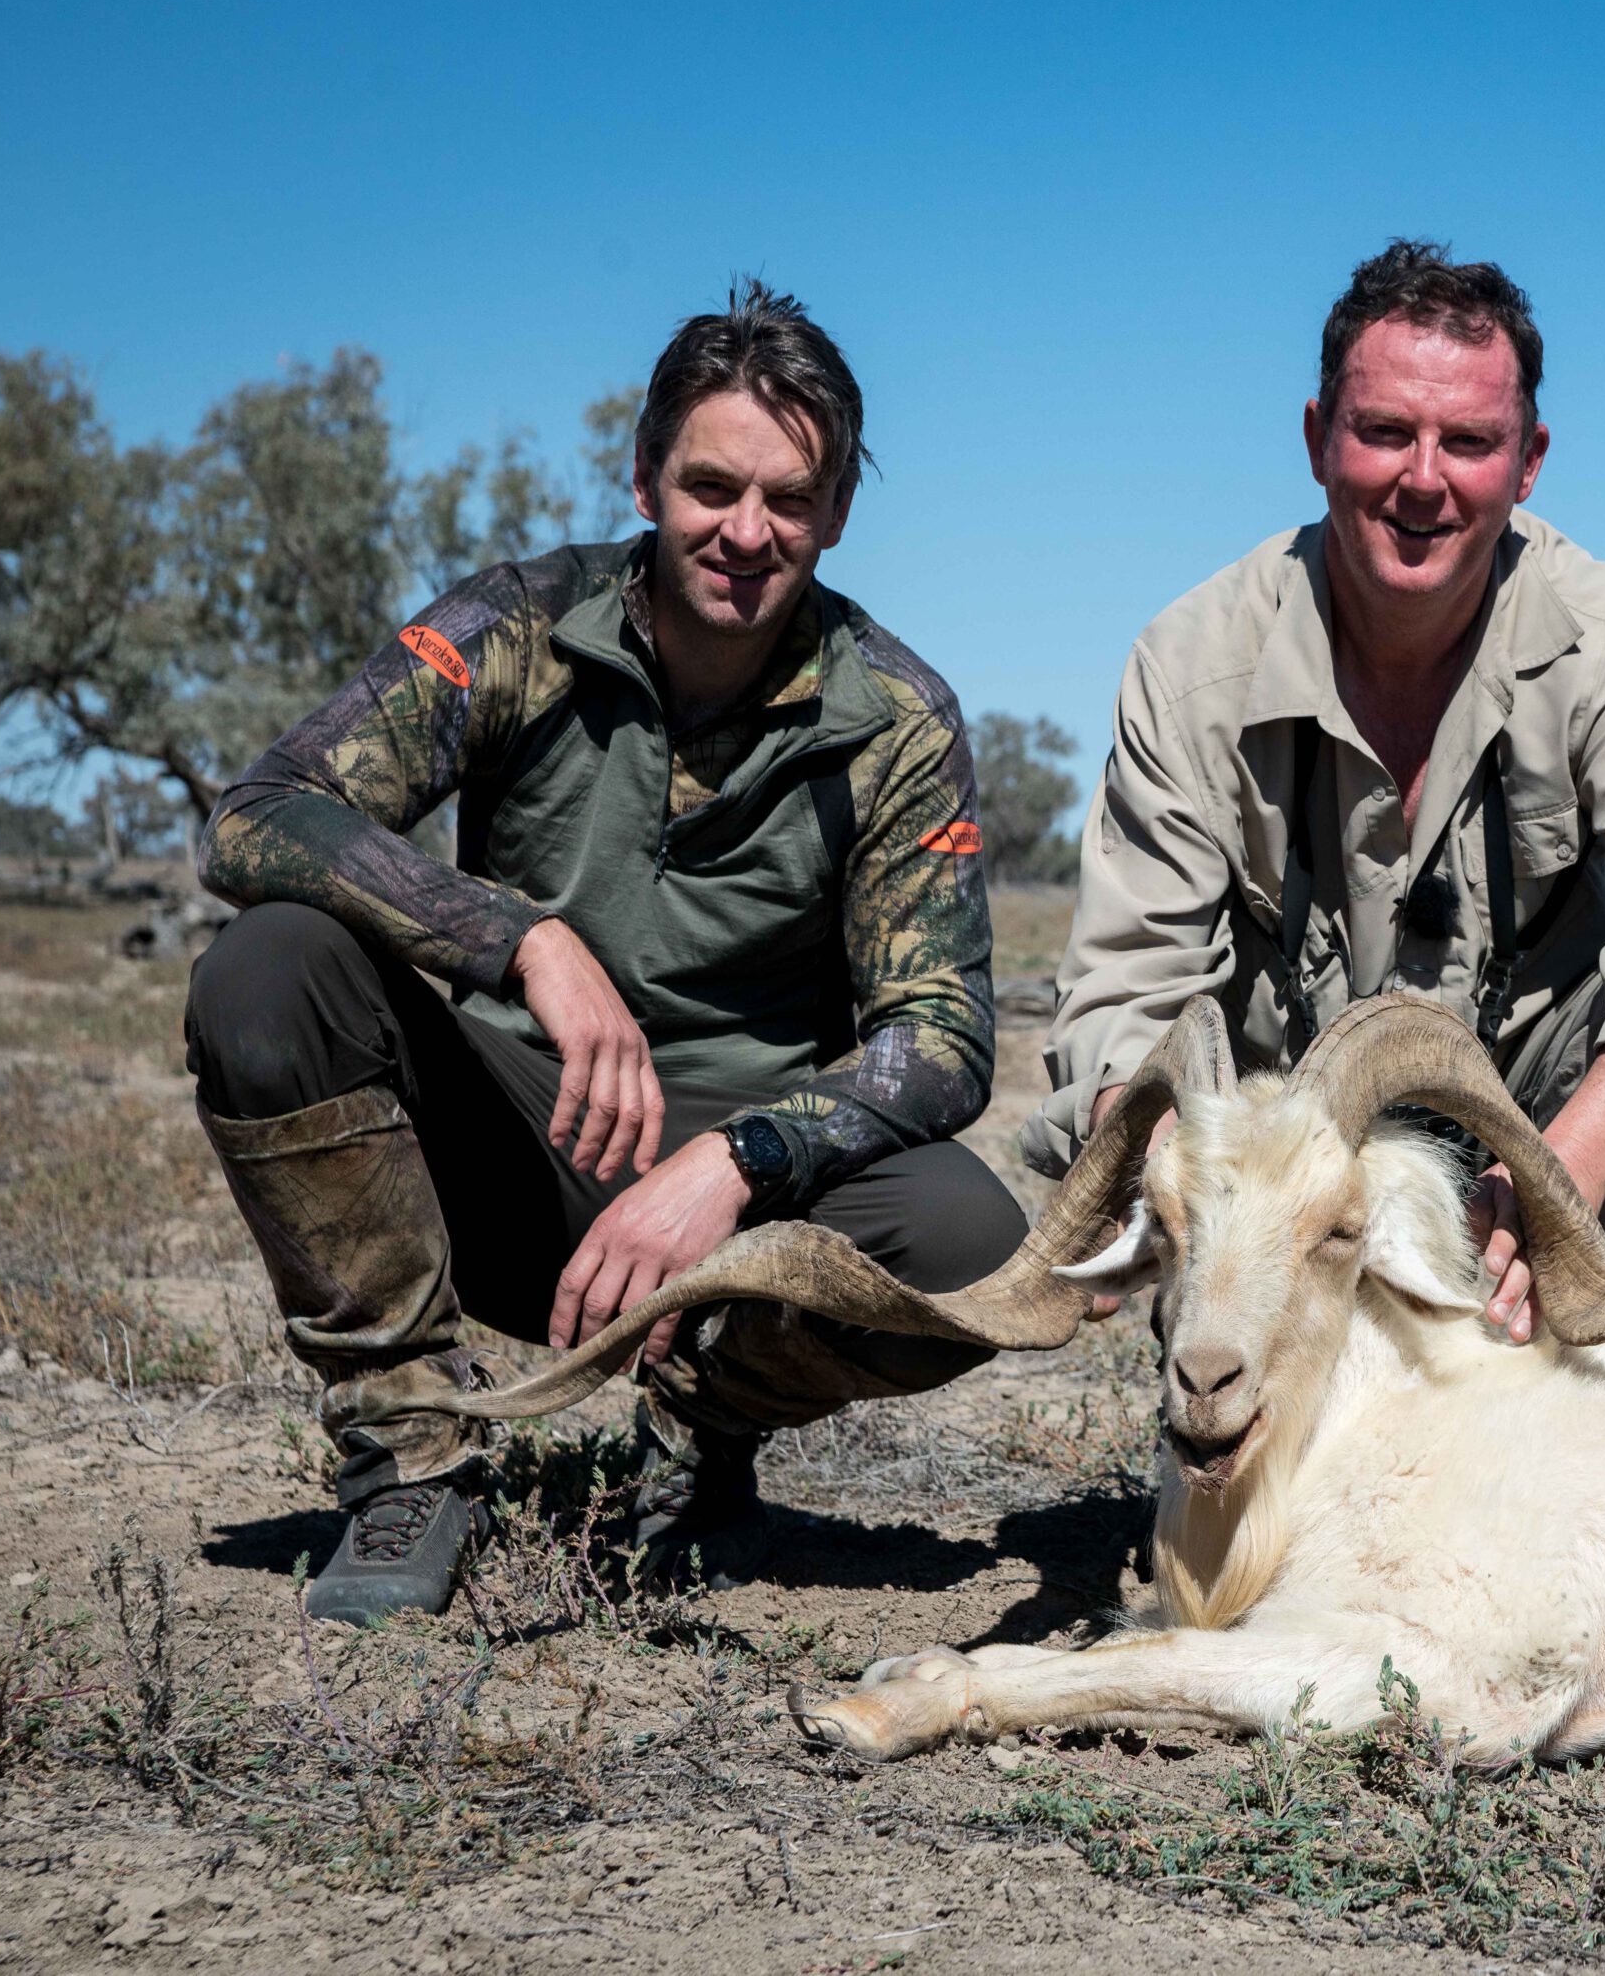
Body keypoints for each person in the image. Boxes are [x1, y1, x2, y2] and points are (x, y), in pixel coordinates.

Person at [189, 281, 1018, 1622]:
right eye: (710, 486)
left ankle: (697, 1427)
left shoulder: (898, 716)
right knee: (266, 969)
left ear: (837, 515)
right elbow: (258, 814)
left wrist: (735, 1162)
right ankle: (410, 1452)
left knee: (967, 1237)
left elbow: (944, 1032)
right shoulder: (516, 625)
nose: (746, 533)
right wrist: (523, 943)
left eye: (789, 501)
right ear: (643, 479)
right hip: (507, 1138)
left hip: (729, 1211)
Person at [1031, 240, 1605, 1325]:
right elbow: (1124, 981)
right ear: (1316, 440)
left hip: (1533, 1126)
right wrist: (1166, 1168)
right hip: (1294, 1142)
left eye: (1470, 442)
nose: (1424, 479)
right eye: (1385, 431)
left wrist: (1557, 1177)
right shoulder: (1192, 657)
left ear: (1527, 463)